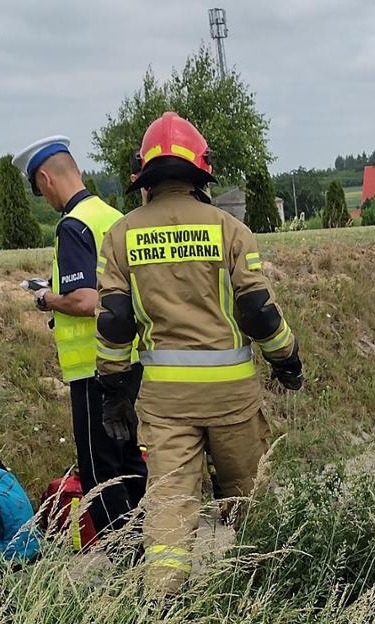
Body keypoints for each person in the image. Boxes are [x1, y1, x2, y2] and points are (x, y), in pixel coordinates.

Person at [94, 112, 304, 596]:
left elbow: (113, 322)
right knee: (248, 499)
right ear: (199, 172)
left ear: (144, 174)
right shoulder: (229, 230)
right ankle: (263, 594)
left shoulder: (121, 235)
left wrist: (113, 386)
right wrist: (286, 358)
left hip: (166, 404)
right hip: (231, 399)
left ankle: (164, 603)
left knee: (169, 504)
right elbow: (257, 310)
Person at [12, 136, 146, 539]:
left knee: (100, 471)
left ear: (46, 179)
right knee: (130, 459)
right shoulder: (113, 216)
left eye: (40, 189)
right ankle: (150, 546)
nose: (44, 199)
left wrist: (46, 297)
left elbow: (86, 299)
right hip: (130, 360)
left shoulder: (73, 225)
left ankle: (127, 565)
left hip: (93, 367)